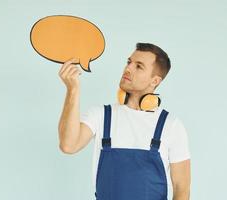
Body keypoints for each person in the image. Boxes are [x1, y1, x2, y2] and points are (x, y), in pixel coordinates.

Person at [58, 43, 191, 200]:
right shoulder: (101, 115)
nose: (128, 69)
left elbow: (182, 189)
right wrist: (72, 89)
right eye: (129, 62)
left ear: (154, 81)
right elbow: (68, 145)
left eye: (139, 66)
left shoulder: (171, 125)